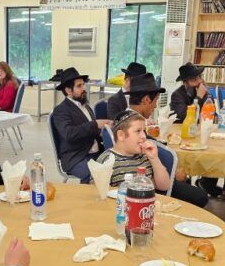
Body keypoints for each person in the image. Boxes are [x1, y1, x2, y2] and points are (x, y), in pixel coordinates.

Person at [126, 73, 209, 207]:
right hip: (146, 179)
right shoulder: (133, 127)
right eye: (155, 101)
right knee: (201, 196)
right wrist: (173, 172)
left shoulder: (126, 119)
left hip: (148, 173)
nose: (155, 106)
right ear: (146, 100)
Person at [51, 67, 111, 183]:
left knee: (116, 166)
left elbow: (92, 130)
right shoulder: (61, 110)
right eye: (79, 86)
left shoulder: (86, 107)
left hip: (95, 153)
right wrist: (95, 125)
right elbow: (69, 133)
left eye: (83, 84)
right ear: (68, 91)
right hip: (76, 157)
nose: (84, 88)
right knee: (94, 175)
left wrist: (105, 130)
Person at [98, 110, 170, 192]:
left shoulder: (145, 156)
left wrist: (154, 159)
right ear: (121, 135)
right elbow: (97, 192)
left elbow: (164, 186)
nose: (144, 136)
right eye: (138, 131)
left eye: (144, 131)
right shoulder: (106, 160)